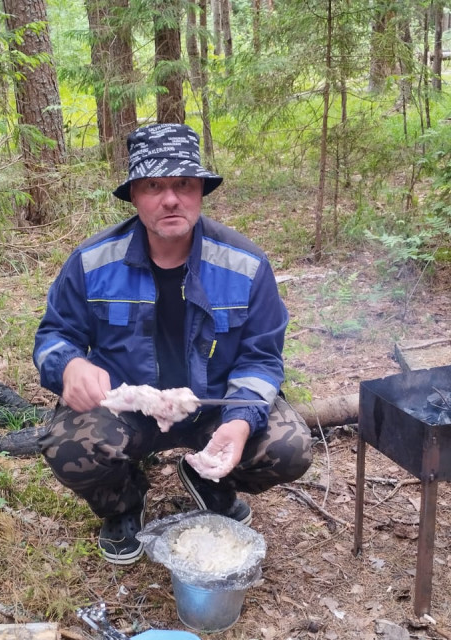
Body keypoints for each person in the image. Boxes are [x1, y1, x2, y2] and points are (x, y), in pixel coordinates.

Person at [34, 123, 313, 566]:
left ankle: (210, 480)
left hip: (214, 404)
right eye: (153, 186)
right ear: (134, 196)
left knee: (288, 447)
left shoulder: (245, 264)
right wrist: (68, 366)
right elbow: (54, 335)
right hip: (127, 407)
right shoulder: (92, 262)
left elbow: (261, 359)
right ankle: (123, 506)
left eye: (183, 183)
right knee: (68, 446)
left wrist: (240, 420)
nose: (170, 198)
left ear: (200, 189)